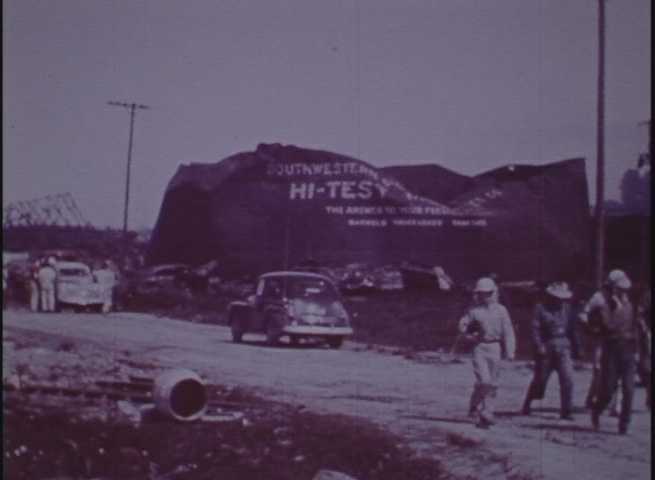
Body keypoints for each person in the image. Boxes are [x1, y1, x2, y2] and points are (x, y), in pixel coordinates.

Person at [581, 270, 638, 434]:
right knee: (608, 389)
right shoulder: (603, 304)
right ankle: (597, 411)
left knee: (629, 389)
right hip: (611, 350)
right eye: (620, 289)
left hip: (628, 350)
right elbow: (606, 326)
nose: (623, 292)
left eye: (625, 289)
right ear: (613, 288)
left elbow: (634, 327)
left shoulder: (630, 305)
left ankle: (624, 424)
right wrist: (615, 309)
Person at [458, 277, 516, 428]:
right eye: (483, 293)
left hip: (495, 347)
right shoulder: (474, 311)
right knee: (484, 381)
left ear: (494, 293)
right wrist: (468, 334)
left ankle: (486, 411)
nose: (486, 296)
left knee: (493, 383)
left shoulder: (502, 310)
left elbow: (508, 331)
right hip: (479, 348)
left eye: (489, 293)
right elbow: (463, 325)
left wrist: (510, 351)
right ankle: (481, 410)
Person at [521, 282, 580, 419]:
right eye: (557, 298)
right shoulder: (540, 308)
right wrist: (539, 345)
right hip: (546, 347)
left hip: (564, 346)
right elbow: (535, 329)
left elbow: (572, 330)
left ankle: (566, 411)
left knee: (568, 379)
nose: (560, 301)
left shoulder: (568, 309)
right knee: (540, 380)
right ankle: (528, 402)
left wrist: (577, 348)